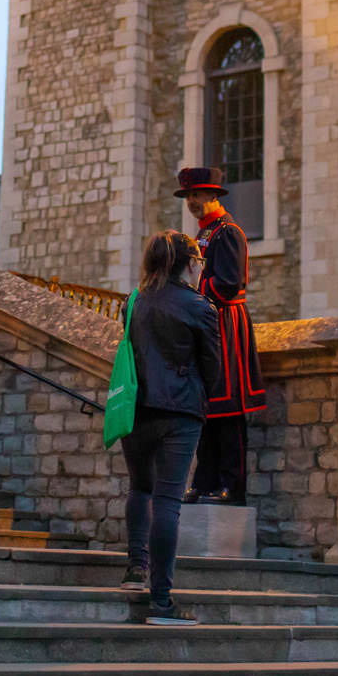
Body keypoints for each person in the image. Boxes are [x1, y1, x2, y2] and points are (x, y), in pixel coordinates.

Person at [119, 230, 222, 626]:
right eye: (199, 262)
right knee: (167, 501)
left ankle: (135, 569)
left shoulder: (133, 301)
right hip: (180, 411)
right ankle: (161, 602)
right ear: (189, 264)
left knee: (139, 488)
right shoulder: (199, 307)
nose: (200, 268)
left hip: (136, 408)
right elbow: (212, 367)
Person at [177, 167, 264, 505]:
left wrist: (192, 292)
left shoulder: (228, 232)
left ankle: (231, 485)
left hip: (225, 326)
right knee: (207, 408)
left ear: (213, 195)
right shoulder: (205, 233)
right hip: (206, 324)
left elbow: (228, 284)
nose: (192, 201)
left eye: (196, 194)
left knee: (228, 411)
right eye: (188, 196)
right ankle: (205, 480)